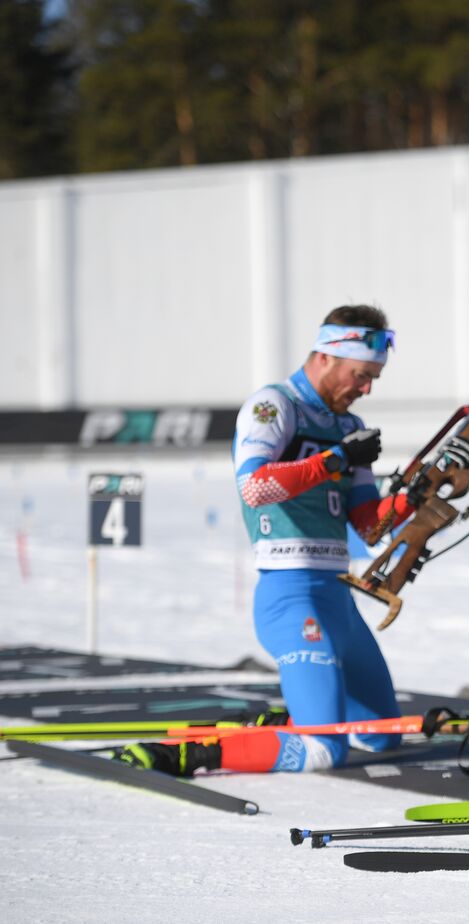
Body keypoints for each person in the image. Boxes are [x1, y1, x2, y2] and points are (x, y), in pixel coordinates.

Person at [116, 305, 413, 775]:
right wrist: (334, 460)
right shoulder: (274, 406)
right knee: (324, 752)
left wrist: (420, 494)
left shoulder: (348, 428)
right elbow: (254, 488)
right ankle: (188, 754)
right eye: (360, 375)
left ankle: (280, 723)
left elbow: (367, 525)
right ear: (326, 357)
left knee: (381, 737)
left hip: (339, 599)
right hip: (291, 597)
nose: (366, 389)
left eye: (374, 378)